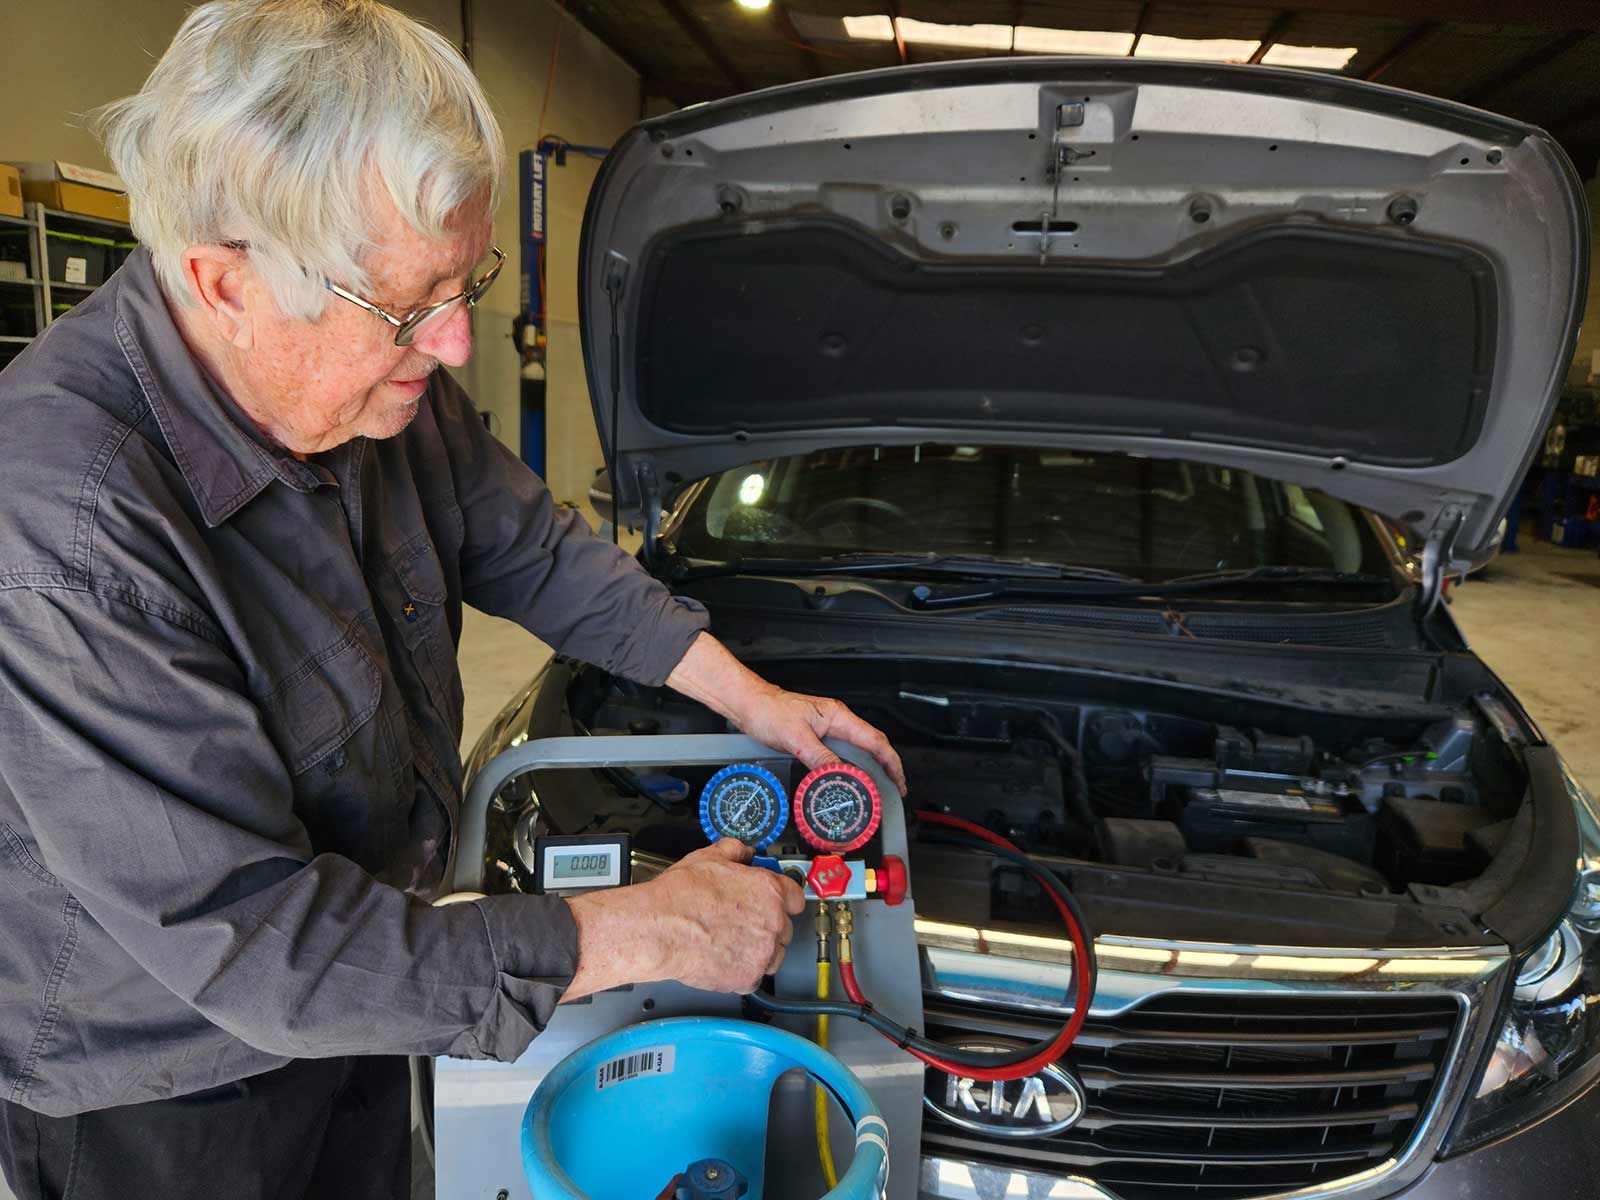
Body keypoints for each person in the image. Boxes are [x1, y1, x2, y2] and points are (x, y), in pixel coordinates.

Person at [0, 2, 905, 1197]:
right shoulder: (67, 527)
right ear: (225, 283)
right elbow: (263, 948)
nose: (458, 341)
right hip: (165, 1088)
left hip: (371, 987)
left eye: (464, 279)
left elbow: (523, 542)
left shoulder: (369, 382)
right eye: (409, 303)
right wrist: (645, 928)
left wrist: (754, 701)